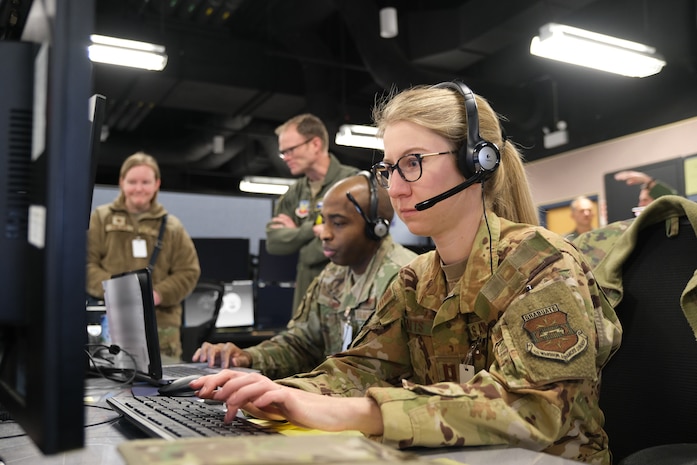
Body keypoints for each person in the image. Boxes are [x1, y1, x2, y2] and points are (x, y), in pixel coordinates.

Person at [190, 82, 622, 464]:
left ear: (477, 163)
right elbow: (359, 370)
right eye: (389, 168)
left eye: (413, 162)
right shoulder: (415, 280)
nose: (394, 187)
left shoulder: (540, 264)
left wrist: (359, 412)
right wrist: (279, 393)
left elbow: (531, 407)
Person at [193, 173, 417, 379]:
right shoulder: (333, 276)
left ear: (376, 228)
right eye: (323, 221)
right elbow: (301, 345)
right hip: (335, 403)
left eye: (338, 223)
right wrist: (246, 357)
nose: (325, 234)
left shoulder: (405, 278)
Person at [87, 152, 201, 361]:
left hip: (161, 327)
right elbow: (86, 264)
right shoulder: (101, 219)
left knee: (162, 385)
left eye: (146, 182)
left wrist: (157, 294)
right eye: (132, 181)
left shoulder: (172, 227)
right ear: (121, 182)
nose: (139, 188)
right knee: (110, 383)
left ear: (157, 183)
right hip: (113, 323)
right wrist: (115, 291)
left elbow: (189, 271)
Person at [266, 114, 359, 313]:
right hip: (305, 298)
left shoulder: (352, 182)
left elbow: (347, 241)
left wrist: (298, 239)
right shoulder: (295, 192)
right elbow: (273, 242)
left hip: (343, 294)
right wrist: (310, 230)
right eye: (283, 153)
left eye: (290, 150)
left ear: (315, 144)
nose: (285, 158)